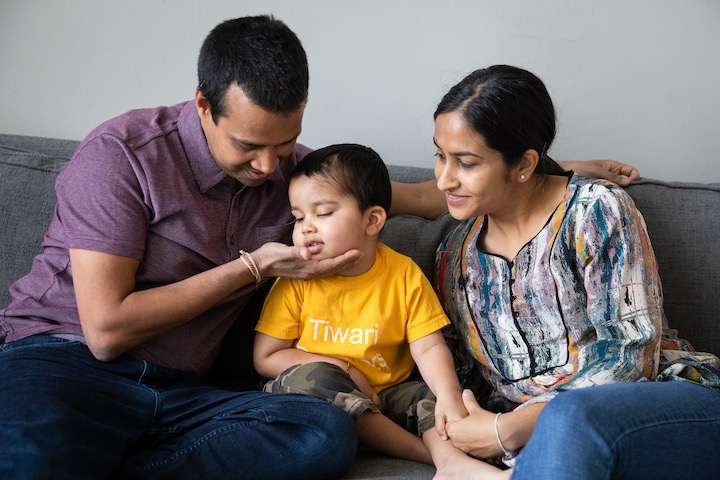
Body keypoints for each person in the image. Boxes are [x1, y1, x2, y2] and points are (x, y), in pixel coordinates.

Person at [0, 12, 640, 479]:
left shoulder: (295, 174)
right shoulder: (122, 155)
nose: (268, 166)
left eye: (285, 143)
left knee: (321, 435)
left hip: (183, 395)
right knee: (29, 452)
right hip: (65, 364)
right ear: (203, 105)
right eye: (249, 147)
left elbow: (406, 193)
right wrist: (252, 268)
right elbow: (106, 332)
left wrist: (543, 168)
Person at [430, 65, 720, 479]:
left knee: (565, 420)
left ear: (525, 163)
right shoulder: (454, 255)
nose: (444, 178)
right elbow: (461, 380)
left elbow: (630, 356)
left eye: (466, 162)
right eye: (439, 155)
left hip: (662, 403)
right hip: (545, 447)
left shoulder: (595, 211)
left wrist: (507, 429)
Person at [254, 143, 496, 478]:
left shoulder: (402, 273)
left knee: (430, 394)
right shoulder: (297, 280)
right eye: (298, 217)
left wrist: (449, 396)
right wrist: (342, 368)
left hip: (387, 395)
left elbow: (427, 345)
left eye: (322, 213)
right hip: (319, 402)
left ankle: (452, 462)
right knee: (311, 379)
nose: (305, 227)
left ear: (372, 220)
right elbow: (266, 357)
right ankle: (430, 456)